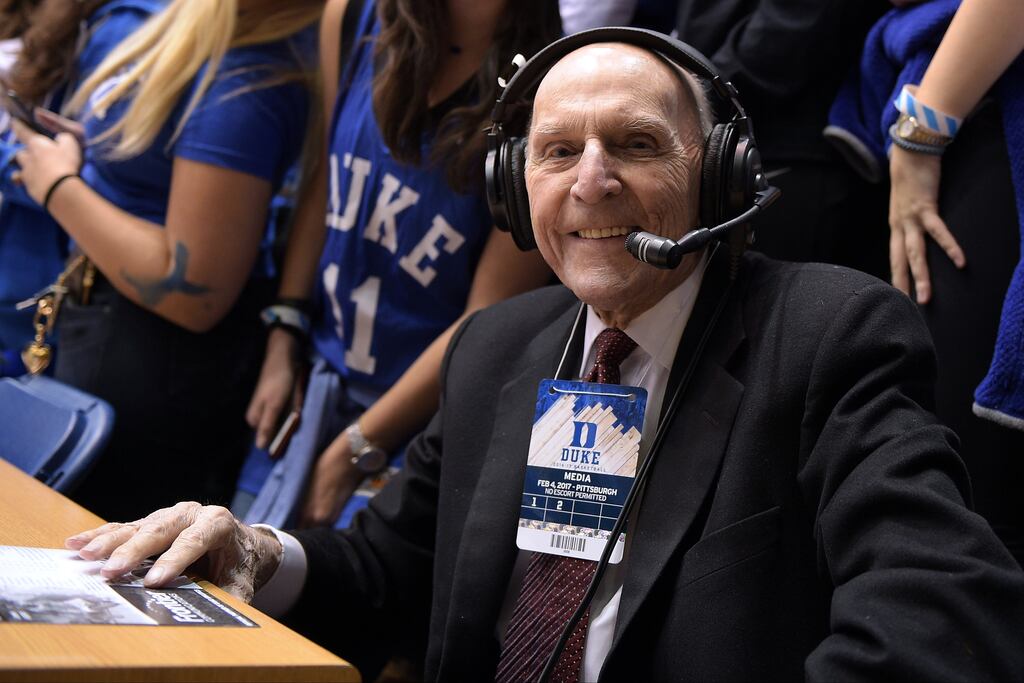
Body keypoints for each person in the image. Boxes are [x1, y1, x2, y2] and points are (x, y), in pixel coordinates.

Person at [65, 32, 1024, 682]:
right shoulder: (493, 351)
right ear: (516, 188)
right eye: (558, 151)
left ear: (722, 174)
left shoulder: (827, 335)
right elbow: (388, 570)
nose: (592, 180)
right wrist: (254, 551)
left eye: (637, 145)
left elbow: (944, 607)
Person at [234, 0, 560, 530]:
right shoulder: (354, 16)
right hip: (313, 386)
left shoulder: (548, 91)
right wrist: (285, 332)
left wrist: (358, 446)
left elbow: (484, 320)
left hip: (421, 425)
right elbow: (324, 184)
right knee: (223, 577)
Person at [11, 0, 320, 521]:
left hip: (157, 368)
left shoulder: (249, 82)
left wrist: (59, 186)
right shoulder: (188, 28)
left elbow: (193, 290)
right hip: (105, 328)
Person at [1, 0, 159, 376]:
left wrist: (18, 162)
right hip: (27, 288)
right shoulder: (74, 18)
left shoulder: (129, 26)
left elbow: (115, 182)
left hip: (65, 296)